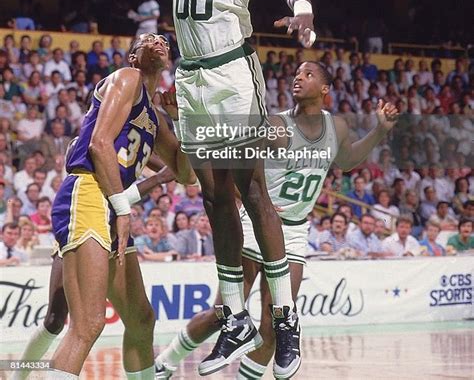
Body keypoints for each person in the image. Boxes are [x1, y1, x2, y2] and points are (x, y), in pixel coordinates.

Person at [145, 0, 317, 378]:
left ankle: (286, 319)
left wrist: (301, 13)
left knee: (249, 192)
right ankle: (236, 314)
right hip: (192, 78)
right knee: (214, 194)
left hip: (230, 76)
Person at [155, 62, 398, 380]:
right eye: (297, 73)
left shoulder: (336, 127)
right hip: (259, 225)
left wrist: (379, 130)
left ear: (325, 89)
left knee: (275, 322)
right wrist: (181, 120)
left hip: (296, 230)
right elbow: (230, 166)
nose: (298, 77)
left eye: (308, 74)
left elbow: (348, 160)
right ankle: (166, 363)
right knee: (223, 314)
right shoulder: (273, 126)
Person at [48, 33, 195, 379]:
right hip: (89, 192)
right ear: (133, 57)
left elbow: (186, 173)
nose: (158, 41)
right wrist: (124, 209)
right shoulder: (127, 78)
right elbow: (99, 145)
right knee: (87, 323)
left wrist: (184, 122)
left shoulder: (156, 117)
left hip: (110, 205)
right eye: (148, 40)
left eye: (163, 39)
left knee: (141, 317)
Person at [12, 164, 181, 380]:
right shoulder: (96, 143)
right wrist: (158, 178)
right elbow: (111, 197)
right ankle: (18, 376)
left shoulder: (142, 137)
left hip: (112, 228)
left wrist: (182, 164)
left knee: (142, 319)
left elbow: (173, 163)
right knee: (57, 320)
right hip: (84, 222)